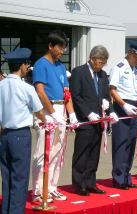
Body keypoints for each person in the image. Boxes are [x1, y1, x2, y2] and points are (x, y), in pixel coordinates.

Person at [32, 30, 78, 202]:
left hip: (61, 110)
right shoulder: (41, 64)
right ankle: (38, 190)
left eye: (64, 48)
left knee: (57, 152)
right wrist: (51, 113)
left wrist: (72, 114)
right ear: (50, 46)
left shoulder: (60, 66)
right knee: (43, 153)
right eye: (60, 48)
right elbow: (40, 91)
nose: (62, 51)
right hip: (46, 111)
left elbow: (67, 93)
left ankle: (52, 187)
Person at [0, 48, 46, 214]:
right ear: (21, 66)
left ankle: (6, 210)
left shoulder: (1, 85)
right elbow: (39, 111)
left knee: (7, 178)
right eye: (26, 64)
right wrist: (47, 121)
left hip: (4, 134)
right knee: (20, 178)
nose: (28, 67)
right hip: (20, 134)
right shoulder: (26, 88)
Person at [70, 45, 118, 196]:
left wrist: (110, 110)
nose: (101, 65)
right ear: (92, 59)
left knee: (94, 154)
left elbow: (106, 96)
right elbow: (76, 96)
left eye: (104, 63)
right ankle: (79, 185)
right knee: (82, 153)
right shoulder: (79, 72)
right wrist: (87, 113)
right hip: (85, 120)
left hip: (99, 120)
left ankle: (91, 182)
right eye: (100, 62)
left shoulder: (103, 75)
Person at [109, 41, 137, 190]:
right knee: (121, 144)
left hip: (135, 106)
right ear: (130, 53)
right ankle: (118, 178)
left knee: (130, 143)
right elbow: (112, 89)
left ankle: (126, 176)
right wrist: (123, 104)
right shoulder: (119, 67)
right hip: (123, 106)